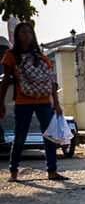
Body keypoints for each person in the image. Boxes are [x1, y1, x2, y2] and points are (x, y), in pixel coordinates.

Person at [0, 20, 66, 182]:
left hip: (44, 101)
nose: (26, 35)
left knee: (49, 136)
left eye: (29, 32)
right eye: (22, 32)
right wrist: (0, 102)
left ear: (33, 35)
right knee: (20, 137)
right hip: (23, 102)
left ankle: (52, 171)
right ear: (17, 35)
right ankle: (13, 171)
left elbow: (52, 81)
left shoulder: (41, 57)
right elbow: (6, 80)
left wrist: (56, 104)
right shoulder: (11, 56)